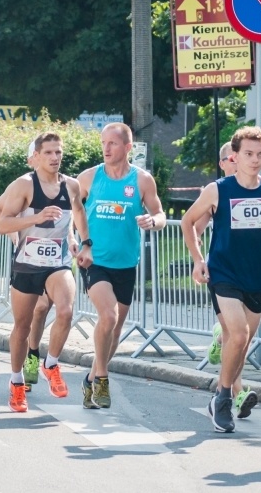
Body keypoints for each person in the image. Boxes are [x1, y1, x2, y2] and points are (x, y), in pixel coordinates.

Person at [181, 126, 261, 433]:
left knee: (240, 344)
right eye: (249, 154)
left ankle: (221, 393)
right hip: (224, 273)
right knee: (238, 335)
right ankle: (224, 398)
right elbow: (188, 222)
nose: (255, 160)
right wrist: (198, 260)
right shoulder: (218, 189)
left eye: (260, 154)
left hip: (256, 276)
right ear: (235, 157)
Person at [0, 132, 92, 412]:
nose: (54, 157)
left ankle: (51, 364)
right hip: (27, 264)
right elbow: (3, 223)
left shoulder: (71, 185)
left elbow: (79, 212)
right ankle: (16, 382)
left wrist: (84, 243)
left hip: (57, 262)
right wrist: (37, 217)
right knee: (22, 327)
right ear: (36, 156)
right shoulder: (24, 185)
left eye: (58, 152)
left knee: (66, 311)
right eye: (48, 152)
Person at [76, 122, 166, 410]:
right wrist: (75, 241)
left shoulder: (142, 180)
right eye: (103, 143)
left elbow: (160, 214)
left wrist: (153, 221)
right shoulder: (88, 177)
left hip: (126, 263)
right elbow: (71, 211)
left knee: (114, 330)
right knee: (109, 315)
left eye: (112, 143)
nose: (106, 148)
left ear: (127, 147)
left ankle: (90, 378)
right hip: (95, 261)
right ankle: (102, 379)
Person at [0, 139, 57, 392]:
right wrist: (14, 233)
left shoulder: (59, 184)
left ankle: (33, 352)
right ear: (33, 159)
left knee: (44, 307)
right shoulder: (21, 184)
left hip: (53, 258)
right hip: (27, 256)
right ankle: (28, 359)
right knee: (34, 309)